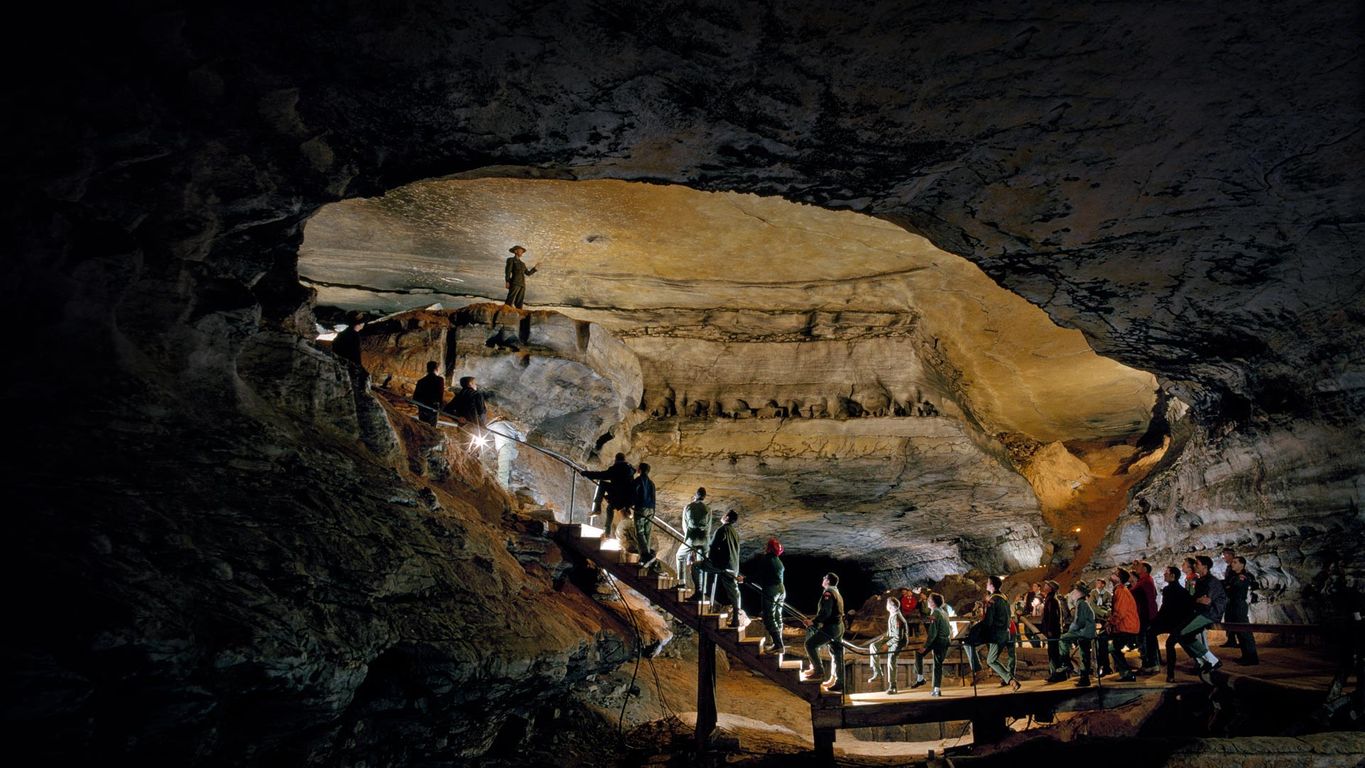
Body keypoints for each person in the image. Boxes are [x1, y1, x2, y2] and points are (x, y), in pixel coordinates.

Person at [1177, 555, 1226, 677]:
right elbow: (1195, 599)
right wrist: (1196, 600)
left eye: (1197, 564)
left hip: (1210, 613)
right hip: (1201, 612)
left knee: (1185, 633)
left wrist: (1197, 600)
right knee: (1180, 635)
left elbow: (1206, 601)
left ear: (1205, 567)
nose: (1195, 566)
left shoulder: (1212, 581)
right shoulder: (1200, 581)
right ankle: (1203, 661)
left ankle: (1212, 660)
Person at [691, 510, 742, 628]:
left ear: (727, 517)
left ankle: (699, 592)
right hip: (733, 568)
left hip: (721, 566)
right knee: (734, 592)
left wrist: (710, 559)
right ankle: (736, 619)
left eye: (725, 515)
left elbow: (713, 546)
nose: (722, 516)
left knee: (696, 566)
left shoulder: (722, 529)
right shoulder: (735, 533)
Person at [800, 573, 846, 694]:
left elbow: (826, 612)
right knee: (837, 654)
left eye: (824, 578)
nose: (823, 579)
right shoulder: (837, 592)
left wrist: (813, 622)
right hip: (840, 626)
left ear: (828, 581)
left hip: (832, 627)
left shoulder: (828, 593)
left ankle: (818, 671)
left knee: (810, 645)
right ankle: (838, 681)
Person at [1152, 565, 1196, 683]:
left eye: (1166, 573)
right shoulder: (1183, 591)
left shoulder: (1169, 590)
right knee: (1182, 643)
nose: (1164, 575)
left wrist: (1155, 620)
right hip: (1178, 623)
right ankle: (1168, 673)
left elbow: (1165, 608)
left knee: (1171, 643)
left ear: (1173, 576)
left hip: (1174, 623)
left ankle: (1166, 671)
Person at [977, 576, 1019, 690]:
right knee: (1009, 655)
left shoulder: (993, 599)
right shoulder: (1004, 597)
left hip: (997, 633)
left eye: (988, 583)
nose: (986, 585)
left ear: (992, 585)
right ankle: (1009, 677)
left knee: (991, 660)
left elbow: (989, 620)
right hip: (1006, 630)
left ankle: (1009, 679)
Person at [579, 453, 635, 540]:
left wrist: (586, 473)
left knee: (602, 484)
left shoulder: (616, 468)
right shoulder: (630, 470)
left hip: (618, 495)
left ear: (616, 460)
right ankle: (607, 533)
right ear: (625, 460)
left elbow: (602, 475)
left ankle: (597, 508)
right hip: (627, 499)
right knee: (610, 508)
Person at [748, 538, 786, 655]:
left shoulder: (767, 559)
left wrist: (745, 580)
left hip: (771, 590)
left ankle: (779, 645)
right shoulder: (778, 561)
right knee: (777, 616)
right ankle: (778, 644)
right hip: (781, 589)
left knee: (768, 617)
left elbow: (759, 575)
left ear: (769, 548)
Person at [1103, 568, 1141, 682]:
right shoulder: (1119, 590)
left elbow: (1120, 612)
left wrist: (1110, 623)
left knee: (1113, 648)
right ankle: (1121, 671)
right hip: (1126, 625)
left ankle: (1125, 673)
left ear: (1119, 579)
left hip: (1127, 626)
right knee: (1113, 647)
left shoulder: (1121, 591)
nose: (1112, 574)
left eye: (1115, 574)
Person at [1058, 582, 1097, 687]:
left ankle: (1066, 663)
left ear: (1079, 593)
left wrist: (1071, 631)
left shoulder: (1081, 604)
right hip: (1088, 632)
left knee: (1063, 639)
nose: (1073, 593)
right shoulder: (1084, 603)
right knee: (1084, 654)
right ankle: (1084, 678)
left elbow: (1079, 622)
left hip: (1083, 632)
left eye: (1075, 591)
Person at [912, 593, 951, 696]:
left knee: (919, 654)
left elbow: (932, 633)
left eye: (929, 600)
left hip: (938, 641)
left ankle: (921, 679)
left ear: (933, 603)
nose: (927, 602)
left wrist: (925, 647)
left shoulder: (935, 614)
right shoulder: (944, 612)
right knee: (938, 665)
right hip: (945, 640)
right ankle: (936, 689)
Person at [1224, 556, 1260, 665]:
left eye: (1235, 562)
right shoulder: (1233, 576)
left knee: (1244, 632)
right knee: (1239, 632)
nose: (1232, 564)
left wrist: (1228, 587)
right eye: (1232, 562)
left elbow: (1232, 588)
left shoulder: (1242, 577)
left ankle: (1252, 658)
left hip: (1239, 604)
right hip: (1233, 604)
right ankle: (1246, 656)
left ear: (1242, 565)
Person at [869, 596, 909, 693]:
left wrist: (887, 644)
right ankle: (877, 672)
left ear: (890, 607)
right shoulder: (893, 613)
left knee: (891, 659)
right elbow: (892, 630)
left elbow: (898, 637)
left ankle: (893, 686)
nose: (886, 606)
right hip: (892, 637)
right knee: (873, 646)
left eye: (887, 604)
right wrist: (885, 637)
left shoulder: (897, 618)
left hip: (899, 641)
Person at [678, 488, 711, 592]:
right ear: (704, 496)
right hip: (704, 538)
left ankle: (681, 583)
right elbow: (709, 527)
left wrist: (687, 538)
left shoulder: (688, 507)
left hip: (692, 536)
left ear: (695, 495)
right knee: (703, 563)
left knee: (680, 556)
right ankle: (702, 589)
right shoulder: (708, 509)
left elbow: (685, 525)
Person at [1132, 560, 1161, 673]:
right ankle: (1152, 664)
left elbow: (1133, 593)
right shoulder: (1146, 580)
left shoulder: (1144, 581)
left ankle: (1149, 664)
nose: (1136, 568)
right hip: (1148, 614)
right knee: (1149, 640)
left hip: (1145, 615)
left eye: (1138, 566)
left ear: (1144, 569)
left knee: (1144, 640)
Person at [1041, 581, 1067, 682]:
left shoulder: (1051, 600)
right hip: (1053, 630)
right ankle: (1056, 674)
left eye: (1047, 585)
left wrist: (1050, 629)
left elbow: (1052, 616)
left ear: (1050, 588)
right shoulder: (1050, 599)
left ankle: (1056, 674)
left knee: (1053, 653)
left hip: (1053, 631)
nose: (1045, 586)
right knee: (1053, 652)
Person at [632, 463, 657, 566]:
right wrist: (653, 511)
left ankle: (646, 555)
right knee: (647, 532)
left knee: (640, 532)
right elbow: (654, 497)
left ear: (639, 470)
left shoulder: (638, 481)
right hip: (650, 509)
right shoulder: (651, 483)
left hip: (641, 508)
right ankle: (646, 557)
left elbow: (632, 493)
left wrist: (629, 505)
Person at [412, 360, 445, 425]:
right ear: (437, 369)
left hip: (422, 408)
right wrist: (441, 406)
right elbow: (440, 394)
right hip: (433, 408)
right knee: (431, 428)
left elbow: (415, 397)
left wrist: (421, 405)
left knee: (423, 426)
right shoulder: (439, 380)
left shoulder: (421, 381)